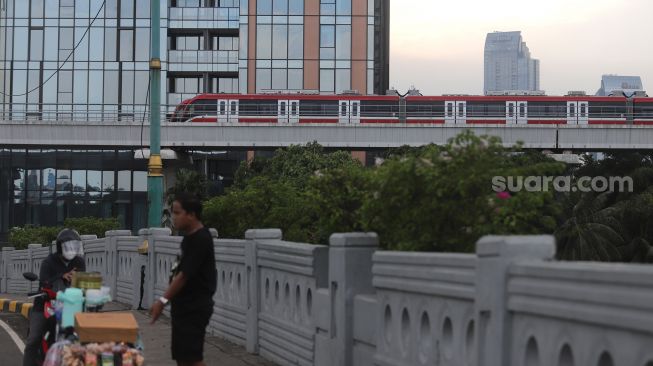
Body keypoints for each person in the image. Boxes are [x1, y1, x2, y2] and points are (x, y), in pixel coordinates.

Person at [150, 193, 217, 366]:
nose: (173, 217)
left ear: (191, 215)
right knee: (182, 357)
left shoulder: (202, 239)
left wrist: (162, 301)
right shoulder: (188, 237)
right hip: (183, 307)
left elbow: (183, 276)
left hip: (195, 308)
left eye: (178, 213)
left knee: (193, 358)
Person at [23, 228, 86, 366]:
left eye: (75, 246)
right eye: (68, 247)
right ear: (59, 247)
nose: (72, 250)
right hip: (45, 305)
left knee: (87, 338)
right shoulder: (48, 262)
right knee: (33, 339)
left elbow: (82, 283)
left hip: (71, 307)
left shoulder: (79, 262)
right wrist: (61, 276)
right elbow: (44, 283)